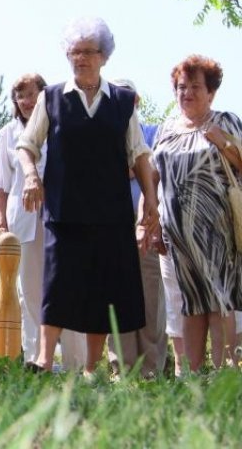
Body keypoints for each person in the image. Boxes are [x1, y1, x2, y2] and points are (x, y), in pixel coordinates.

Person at [17, 17, 158, 376]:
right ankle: (45, 361)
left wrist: (151, 204)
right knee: (57, 284)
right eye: (74, 52)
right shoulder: (51, 98)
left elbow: (139, 154)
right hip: (65, 211)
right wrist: (32, 175)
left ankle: (92, 371)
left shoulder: (123, 102)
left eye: (88, 52)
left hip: (110, 212)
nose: (80, 58)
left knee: (103, 290)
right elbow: (27, 145)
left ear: (103, 57)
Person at [145, 55, 242, 372]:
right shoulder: (166, 130)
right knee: (190, 304)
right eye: (181, 87)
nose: (186, 93)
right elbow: (153, 179)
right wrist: (150, 221)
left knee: (219, 299)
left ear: (211, 92)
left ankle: (225, 373)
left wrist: (224, 143)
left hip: (216, 230)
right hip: (176, 237)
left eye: (195, 87)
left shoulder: (225, 121)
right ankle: (193, 377)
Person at [0, 74, 86, 371]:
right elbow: (2, 185)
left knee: (66, 287)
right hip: (22, 220)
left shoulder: (60, 126)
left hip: (60, 216)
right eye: (20, 95)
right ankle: (36, 361)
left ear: (44, 95)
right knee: (30, 292)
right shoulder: (7, 134)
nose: (26, 101)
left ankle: (77, 363)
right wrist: (1, 225)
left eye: (31, 94)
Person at [105, 78, 167, 377]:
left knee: (149, 299)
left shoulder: (154, 132)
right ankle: (122, 369)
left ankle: (152, 368)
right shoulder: (101, 135)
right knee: (116, 300)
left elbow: (151, 173)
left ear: (137, 102)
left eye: (127, 98)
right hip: (110, 230)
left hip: (147, 226)